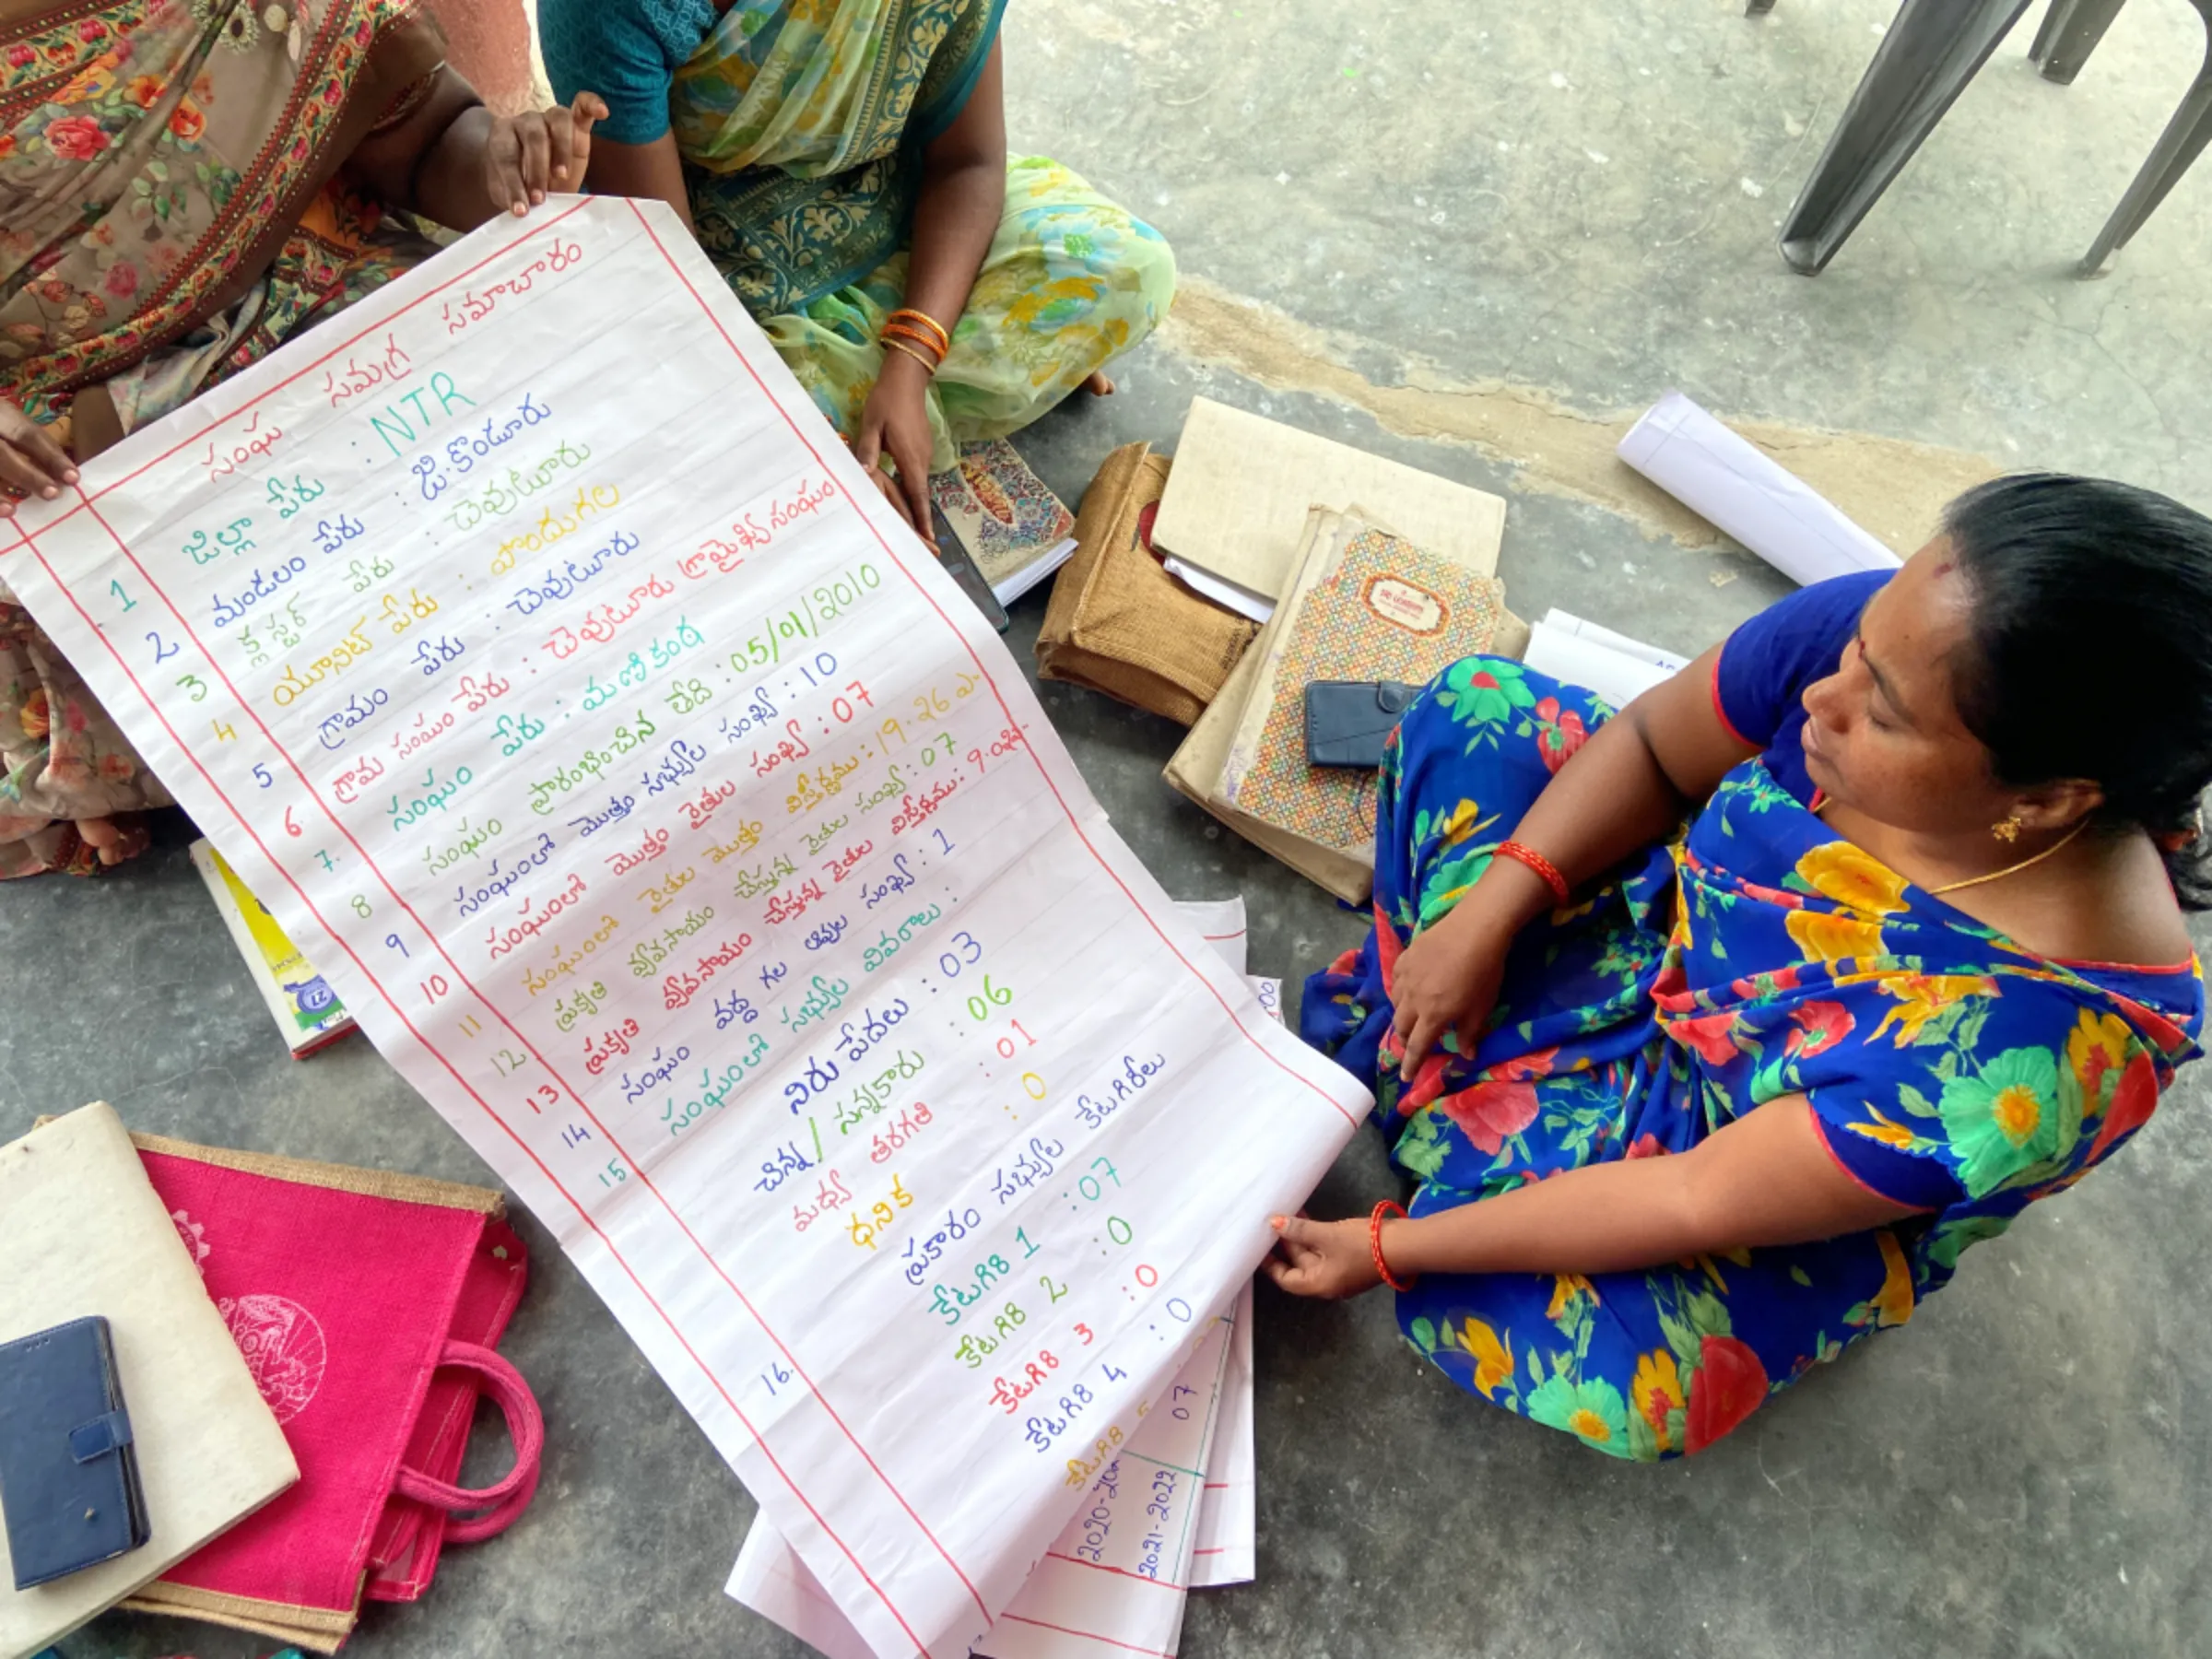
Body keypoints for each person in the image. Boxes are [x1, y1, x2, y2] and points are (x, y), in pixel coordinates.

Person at [1276, 475, 2212, 1463]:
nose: (1823, 697)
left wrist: (1385, 1247)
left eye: (1883, 716)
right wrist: (1489, 919)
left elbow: (1692, 1198)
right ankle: (1454, 1084)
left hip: (1730, 1138)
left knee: (1637, 1376)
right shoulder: (1886, 644)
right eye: (1858, 652)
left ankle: (1440, 1092)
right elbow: (1651, 746)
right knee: (1481, 712)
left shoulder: (2029, 1058)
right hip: (1656, 926)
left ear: (2053, 799)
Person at [0, 0, 603, 877]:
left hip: (321, 321)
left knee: (540, 418)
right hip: (59, 432)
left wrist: (507, 161)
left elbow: (431, 139)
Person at [536, 0, 1175, 541]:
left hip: (907, 215)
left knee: (1126, 268)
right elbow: (671, 277)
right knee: (760, 457)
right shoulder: (610, 9)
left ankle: (903, 417)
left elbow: (969, 165)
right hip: (738, 292)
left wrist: (911, 361)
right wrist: (812, 441)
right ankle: (903, 424)